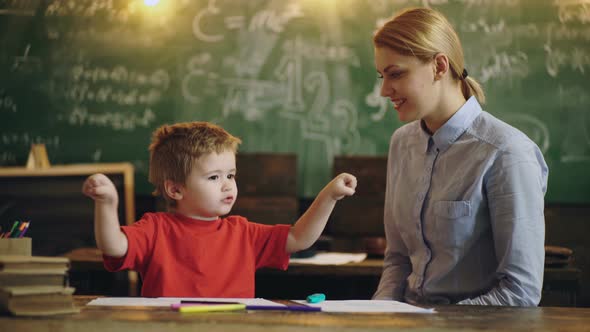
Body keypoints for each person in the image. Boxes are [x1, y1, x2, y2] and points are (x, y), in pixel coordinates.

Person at [371, 7, 548, 306]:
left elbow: (520, 291)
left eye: (396, 74)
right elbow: (398, 260)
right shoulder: (401, 143)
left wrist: (432, 324)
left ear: (439, 66)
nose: (384, 90)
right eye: (381, 76)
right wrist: (378, 314)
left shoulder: (507, 152)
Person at [82, 121, 357, 297]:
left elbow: (299, 238)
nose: (227, 186)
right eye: (214, 177)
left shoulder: (242, 232)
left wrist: (329, 196)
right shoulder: (155, 228)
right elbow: (114, 247)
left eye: (231, 175)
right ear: (176, 189)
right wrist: (107, 204)